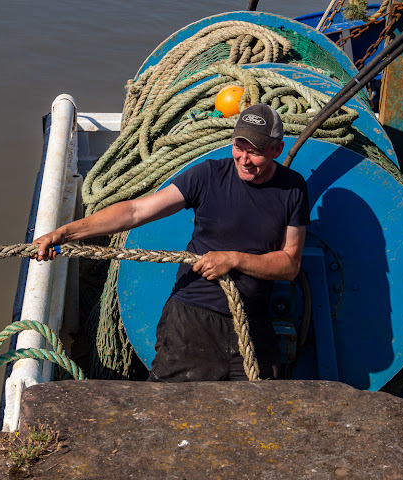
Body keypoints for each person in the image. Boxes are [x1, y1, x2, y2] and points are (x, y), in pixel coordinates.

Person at [34, 103, 310, 382]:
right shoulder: (209, 175)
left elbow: (289, 264)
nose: (244, 159)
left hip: (252, 319)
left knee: (262, 410)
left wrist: (234, 259)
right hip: (193, 316)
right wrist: (65, 234)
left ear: (277, 149)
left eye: (255, 152)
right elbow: (135, 211)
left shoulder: (293, 189)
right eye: (239, 147)